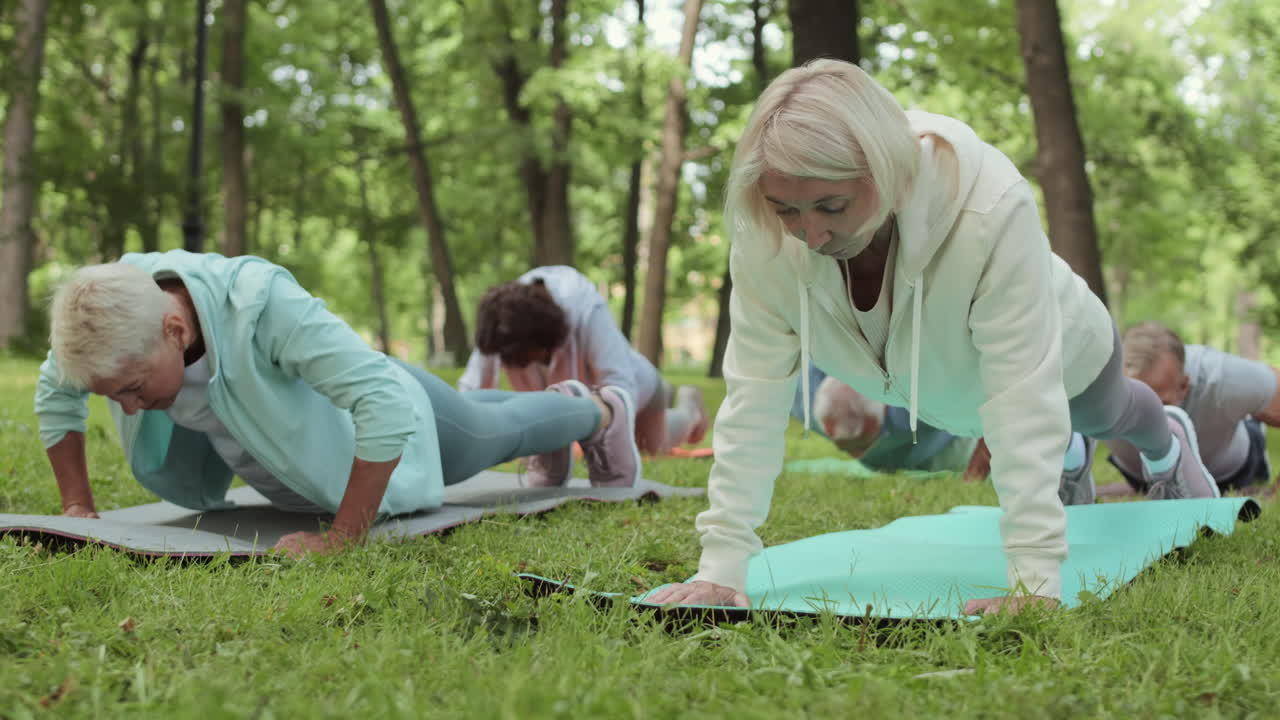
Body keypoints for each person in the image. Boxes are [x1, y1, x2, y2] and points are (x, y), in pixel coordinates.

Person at [646, 59, 1217, 615]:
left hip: (1063, 351)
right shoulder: (766, 240)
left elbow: (1022, 392)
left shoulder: (991, 207)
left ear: (888, 173)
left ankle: (1166, 443)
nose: (810, 233)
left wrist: (1034, 579)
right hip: (947, 386)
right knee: (1050, 429)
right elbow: (754, 397)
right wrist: (720, 567)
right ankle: (1064, 453)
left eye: (832, 205)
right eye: (786, 208)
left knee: (1105, 411)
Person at [34, 251, 642, 557]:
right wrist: (77, 505)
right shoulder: (107, 318)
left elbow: (380, 402)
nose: (131, 410)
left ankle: (599, 411)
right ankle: (571, 411)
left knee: (498, 426)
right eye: (113, 398)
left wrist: (343, 538)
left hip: (407, 421)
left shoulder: (260, 305)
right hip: (340, 426)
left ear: (175, 329)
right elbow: (53, 393)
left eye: (135, 390)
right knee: (489, 411)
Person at [458, 266, 708, 477]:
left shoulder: (585, 308)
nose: (513, 366)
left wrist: (598, 436)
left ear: (545, 344)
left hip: (641, 390)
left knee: (652, 449)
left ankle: (689, 408)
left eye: (523, 360)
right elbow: (471, 391)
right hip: (581, 404)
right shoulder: (502, 323)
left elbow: (620, 385)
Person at [1105, 322, 1279, 495]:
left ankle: (1253, 425)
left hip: (1230, 471)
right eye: (1132, 405)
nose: (1143, 421)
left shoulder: (1221, 377)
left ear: (1183, 386)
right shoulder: (1095, 383)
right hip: (1140, 476)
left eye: (1160, 405)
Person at [791, 363, 979, 474]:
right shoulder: (801, 395)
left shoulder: (924, 399)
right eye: (845, 447)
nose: (856, 456)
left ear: (874, 426)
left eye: (861, 445)